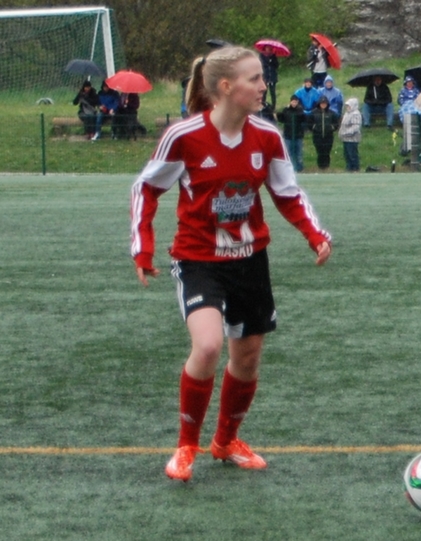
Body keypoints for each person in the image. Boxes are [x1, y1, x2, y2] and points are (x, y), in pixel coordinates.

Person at [130, 45, 332, 482]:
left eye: (262, 77)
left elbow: (288, 193)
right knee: (207, 346)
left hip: (250, 260)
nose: (264, 86)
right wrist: (142, 248)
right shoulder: (184, 136)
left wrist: (315, 234)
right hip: (198, 260)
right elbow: (145, 189)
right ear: (225, 87)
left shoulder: (267, 136)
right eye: (254, 79)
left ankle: (226, 441)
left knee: (247, 358)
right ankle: (186, 446)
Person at [277, 95, 306, 172]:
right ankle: (289, 168)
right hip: (288, 135)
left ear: (297, 102)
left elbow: (303, 118)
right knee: (288, 153)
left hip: (298, 135)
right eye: (293, 102)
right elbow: (281, 118)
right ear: (290, 102)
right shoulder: (286, 110)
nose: (294, 103)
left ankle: (299, 168)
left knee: (299, 153)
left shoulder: (300, 110)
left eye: (295, 102)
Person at [310, 96, 339, 170]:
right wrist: (314, 127)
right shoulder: (314, 113)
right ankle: (320, 166)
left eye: (325, 103)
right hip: (317, 136)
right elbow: (309, 123)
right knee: (320, 151)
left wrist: (332, 128)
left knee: (327, 152)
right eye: (322, 103)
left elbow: (336, 123)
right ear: (319, 104)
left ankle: (326, 166)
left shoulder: (331, 113)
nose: (323, 105)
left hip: (328, 136)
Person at [339, 97, 362, 171]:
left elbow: (356, 127)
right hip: (345, 138)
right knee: (346, 154)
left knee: (352, 154)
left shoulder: (356, 114)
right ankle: (349, 167)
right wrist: (341, 133)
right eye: (347, 106)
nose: (347, 107)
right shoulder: (346, 114)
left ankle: (355, 167)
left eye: (349, 105)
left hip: (352, 139)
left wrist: (346, 133)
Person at [259, 44, 279, 110]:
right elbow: (262, 64)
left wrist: (272, 60)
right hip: (265, 76)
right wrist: (269, 61)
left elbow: (276, 65)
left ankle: (273, 106)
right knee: (264, 92)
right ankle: (263, 105)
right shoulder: (261, 55)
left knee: (273, 92)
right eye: (267, 48)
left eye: (270, 48)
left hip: (272, 76)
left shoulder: (273, 55)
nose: (268, 49)